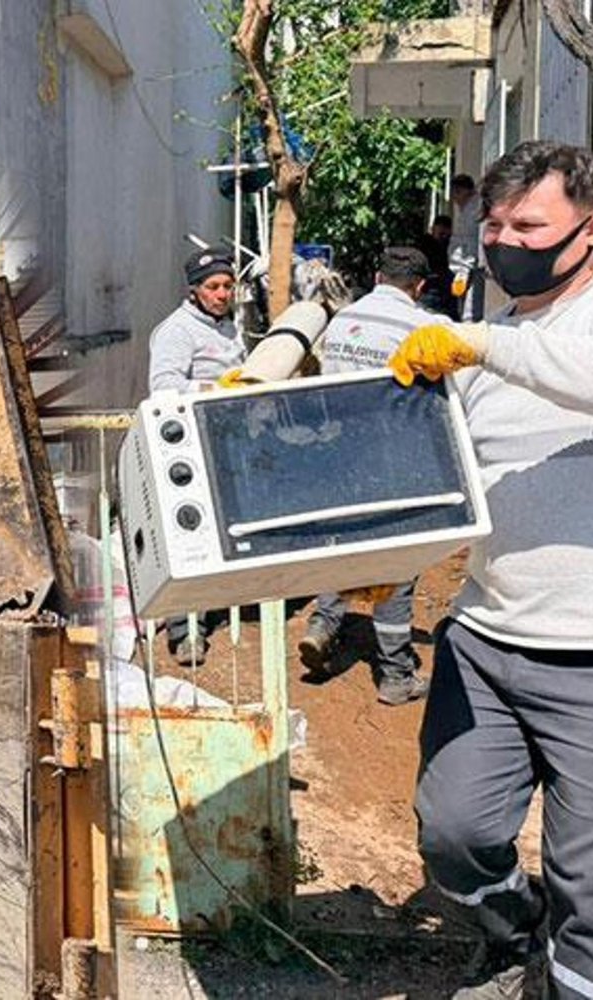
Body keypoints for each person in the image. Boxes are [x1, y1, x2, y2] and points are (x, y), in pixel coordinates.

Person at [390, 141, 593, 998]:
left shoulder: (489, 344)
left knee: (592, 887)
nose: (506, 240)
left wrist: (473, 342)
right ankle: (517, 933)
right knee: (453, 833)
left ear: (588, 230)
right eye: (495, 224)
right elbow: (447, 480)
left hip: (585, 655)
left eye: (529, 226)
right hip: (485, 640)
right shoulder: (486, 343)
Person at [296, 246, 439, 705]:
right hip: (390, 460)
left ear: (378, 277)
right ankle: (396, 675)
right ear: (419, 287)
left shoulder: (342, 320)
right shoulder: (423, 327)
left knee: (342, 543)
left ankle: (323, 625)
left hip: (339, 452)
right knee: (395, 563)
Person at [147, 248, 245, 664]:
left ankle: (221, 604)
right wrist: (215, 389)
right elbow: (163, 387)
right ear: (194, 291)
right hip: (191, 448)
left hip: (226, 442)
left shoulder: (229, 326)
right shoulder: (177, 331)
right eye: (213, 287)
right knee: (193, 537)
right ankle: (186, 630)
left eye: (228, 286)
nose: (222, 294)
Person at [449, 172, 485, 320]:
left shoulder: (472, 211)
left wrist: (463, 271)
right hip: (465, 268)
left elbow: (470, 242)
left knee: (469, 313)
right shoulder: (467, 210)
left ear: (464, 191)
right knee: (466, 310)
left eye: (456, 193)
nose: (454, 198)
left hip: (469, 269)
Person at [418, 213, 455, 313]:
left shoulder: (449, 245)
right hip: (429, 288)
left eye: (446, 235)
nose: (443, 237)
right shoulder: (425, 244)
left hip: (444, 289)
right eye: (441, 234)